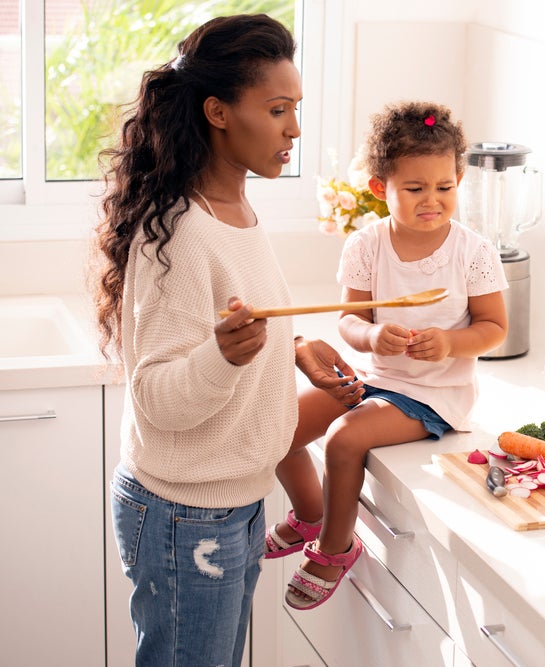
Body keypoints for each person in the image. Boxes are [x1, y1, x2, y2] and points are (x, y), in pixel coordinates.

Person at [90, 14, 360, 666]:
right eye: (276, 110)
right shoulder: (184, 232)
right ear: (217, 112)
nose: (293, 128)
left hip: (229, 501)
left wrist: (293, 349)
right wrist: (223, 354)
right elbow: (158, 393)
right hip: (186, 515)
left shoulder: (235, 208)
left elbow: (231, 320)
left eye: (294, 109)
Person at [271, 100, 509, 610]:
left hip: (434, 395)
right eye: (415, 189)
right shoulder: (365, 245)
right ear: (381, 189)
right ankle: (312, 513)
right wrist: (371, 337)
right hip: (375, 377)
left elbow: (494, 329)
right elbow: (349, 320)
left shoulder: (473, 252)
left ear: (458, 180)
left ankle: (335, 548)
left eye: (444, 187)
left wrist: (448, 343)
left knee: (343, 438)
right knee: (274, 426)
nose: (433, 201)